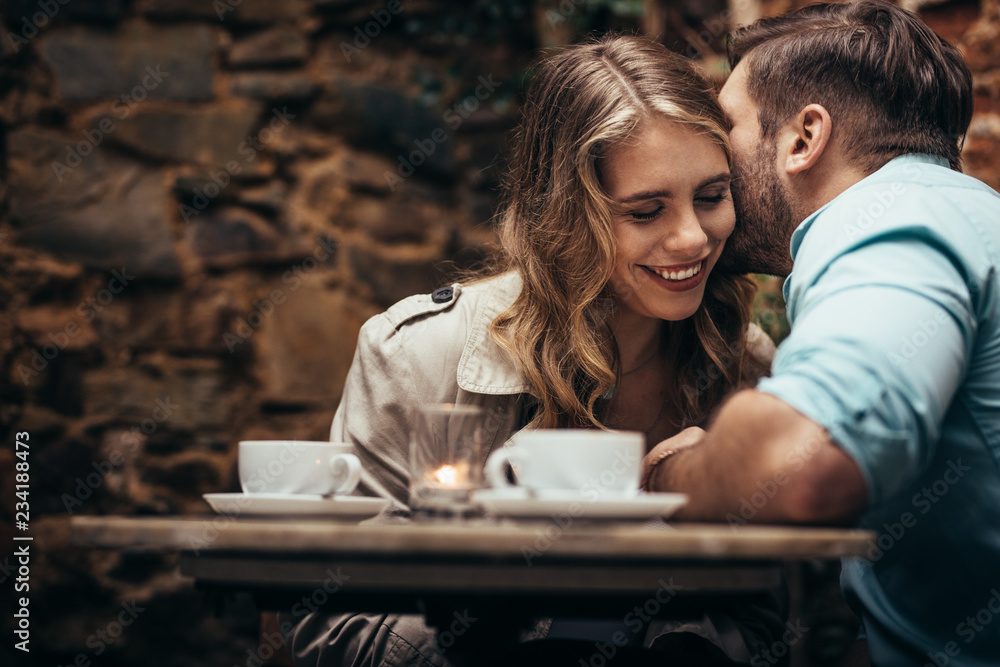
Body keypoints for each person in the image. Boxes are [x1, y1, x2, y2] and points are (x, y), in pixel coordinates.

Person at [282, 35, 782, 667]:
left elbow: (767, 615)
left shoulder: (744, 365)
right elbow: (326, 621)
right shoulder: (420, 355)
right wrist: (491, 633)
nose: (691, 237)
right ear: (568, 213)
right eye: (647, 210)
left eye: (711, 197)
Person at [642, 2, 1000, 666]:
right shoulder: (960, 212)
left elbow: (798, 464)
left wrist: (676, 473)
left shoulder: (888, 223)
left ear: (804, 138)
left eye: (728, 128)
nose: (713, 158)